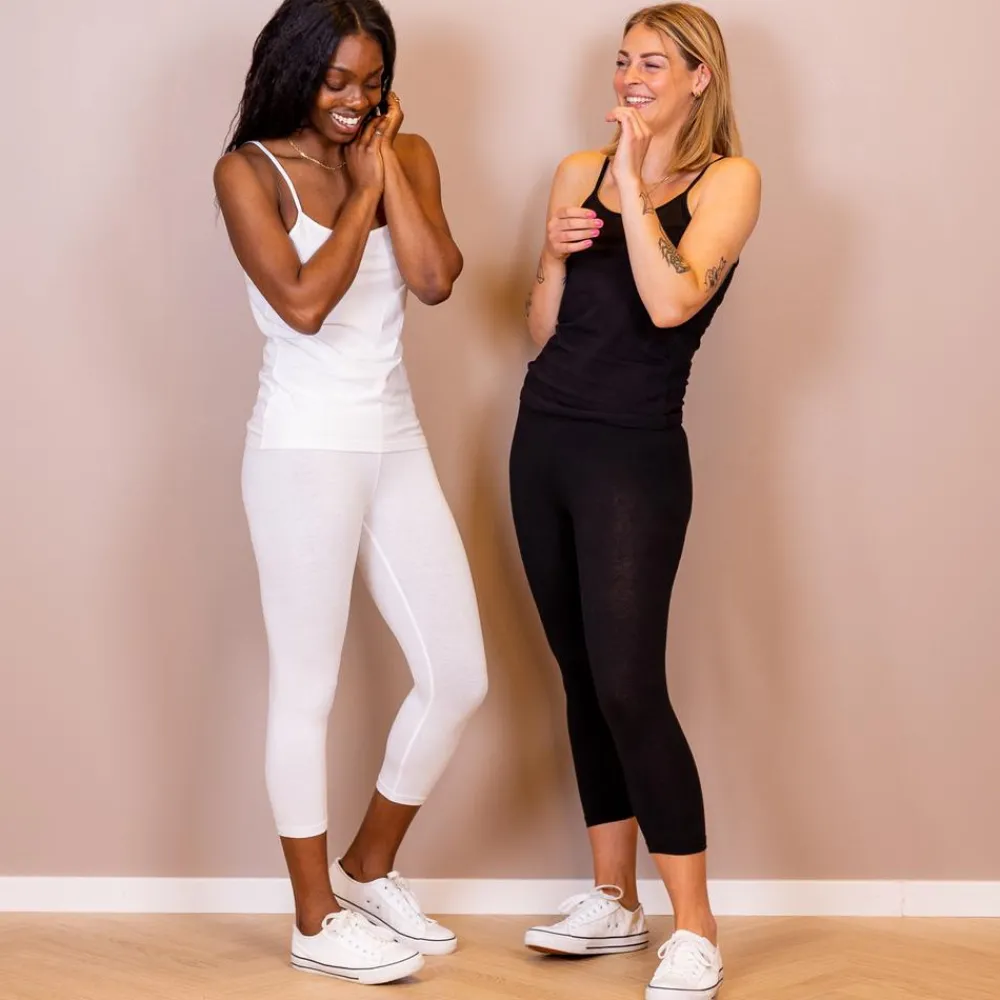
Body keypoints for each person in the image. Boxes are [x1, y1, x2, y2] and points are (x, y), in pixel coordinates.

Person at [213, 0, 488, 985]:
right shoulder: (248, 171)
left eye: (372, 82)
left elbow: (436, 278)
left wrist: (386, 174)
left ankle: (366, 871)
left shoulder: (403, 155)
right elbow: (301, 303)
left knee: (458, 675)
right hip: (301, 448)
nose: (356, 99)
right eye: (337, 81)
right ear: (295, 71)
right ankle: (314, 918)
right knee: (309, 687)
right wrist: (361, 190)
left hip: (394, 439)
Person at [510, 4, 761, 998]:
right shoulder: (575, 171)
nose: (631, 78)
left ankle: (695, 926)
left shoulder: (728, 181)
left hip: (633, 456)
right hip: (543, 441)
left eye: (654, 63)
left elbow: (669, 303)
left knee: (628, 684)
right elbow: (539, 331)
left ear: (701, 78)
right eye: (623, 61)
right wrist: (552, 252)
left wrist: (629, 177)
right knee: (581, 677)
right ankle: (612, 900)